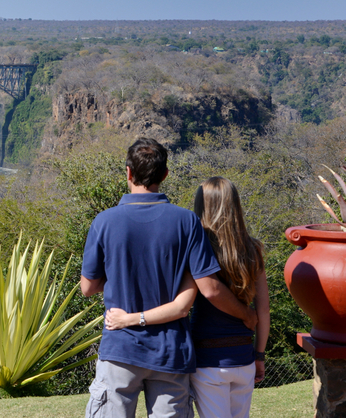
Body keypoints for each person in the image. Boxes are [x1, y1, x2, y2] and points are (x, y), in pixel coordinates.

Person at [81, 138, 257, 418]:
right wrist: (247, 315)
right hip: (170, 352)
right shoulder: (187, 222)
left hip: (120, 348)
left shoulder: (104, 221)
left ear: (128, 173)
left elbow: (88, 288)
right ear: (165, 175)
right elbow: (208, 288)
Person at [107, 177, 270, 418]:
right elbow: (264, 310)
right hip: (243, 357)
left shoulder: (196, 246)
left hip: (208, 360)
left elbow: (204, 294)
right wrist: (259, 354)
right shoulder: (253, 249)